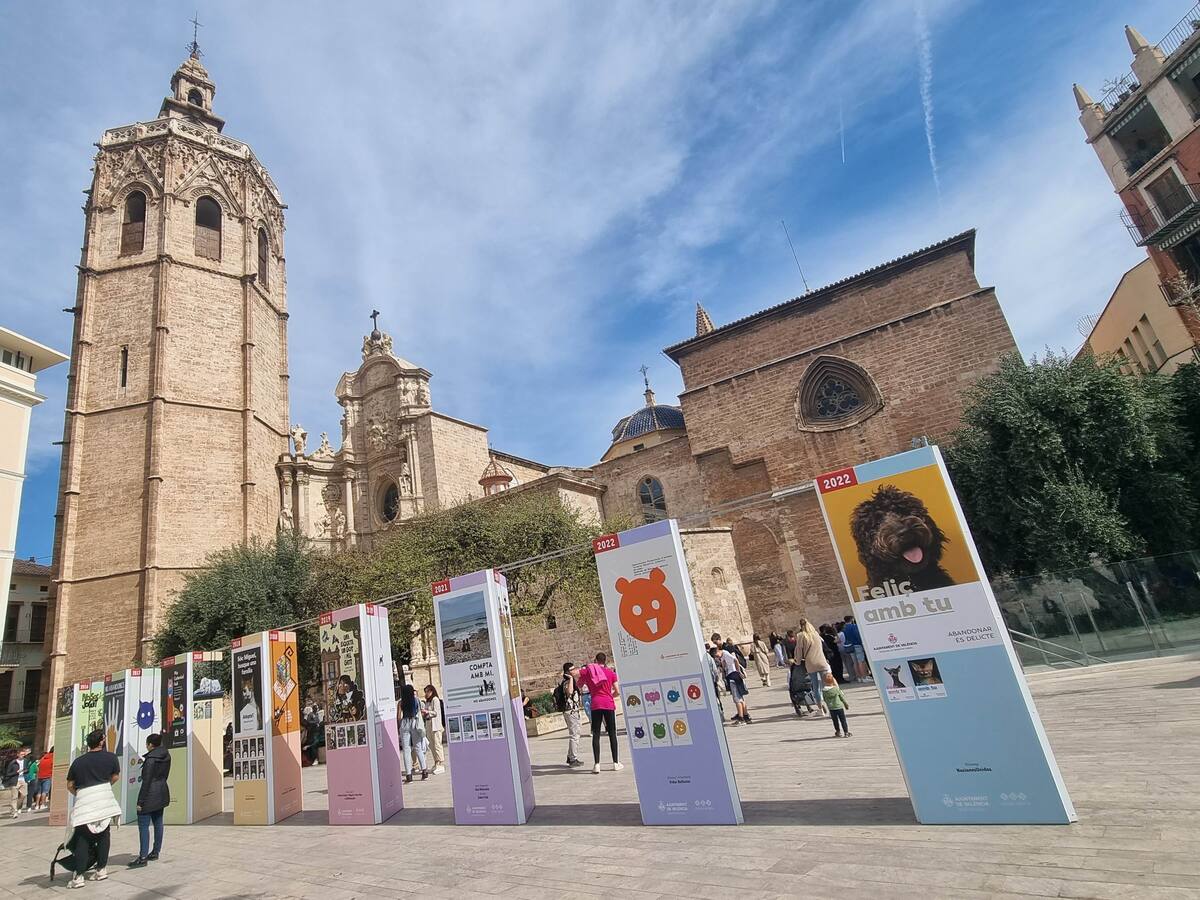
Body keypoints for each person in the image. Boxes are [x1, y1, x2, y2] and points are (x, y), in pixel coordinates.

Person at [65, 730, 121, 889]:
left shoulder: (78, 762)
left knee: (83, 839)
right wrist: (103, 788)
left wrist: (81, 793)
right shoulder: (111, 757)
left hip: (85, 801)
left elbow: (70, 785)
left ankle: (79, 876)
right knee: (104, 835)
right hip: (104, 800)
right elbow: (115, 776)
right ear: (102, 741)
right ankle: (101, 869)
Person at [127, 732, 170, 868]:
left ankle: (143, 856)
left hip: (150, 794)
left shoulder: (151, 760)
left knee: (144, 825)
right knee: (158, 822)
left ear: (150, 745)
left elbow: (146, 782)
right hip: (162, 791)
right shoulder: (166, 755)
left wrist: (140, 802)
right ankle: (155, 851)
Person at [575, 653, 622, 774]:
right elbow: (617, 691)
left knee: (596, 734)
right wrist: (609, 696)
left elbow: (578, 681)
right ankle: (616, 763)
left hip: (595, 704)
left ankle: (597, 764)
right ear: (605, 661)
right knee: (612, 733)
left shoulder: (589, 671)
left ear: (595, 660)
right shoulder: (611, 673)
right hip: (608, 704)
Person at [711, 644, 752, 724]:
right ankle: (746, 715)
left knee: (737, 698)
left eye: (716, 655)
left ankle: (741, 718)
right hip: (732, 675)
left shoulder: (725, 654)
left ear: (717, 651)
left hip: (733, 676)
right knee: (740, 698)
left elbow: (735, 660)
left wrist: (738, 671)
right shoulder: (722, 656)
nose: (717, 657)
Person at [797, 619, 830, 716]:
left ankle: (820, 709)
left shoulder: (801, 636)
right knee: (827, 684)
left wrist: (798, 661)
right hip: (821, 661)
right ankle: (831, 705)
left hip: (811, 663)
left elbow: (799, 650)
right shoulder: (816, 634)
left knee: (816, 687)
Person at [398, 684, 428, 783]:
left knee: (406, 750)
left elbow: (398, 717)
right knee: (418, 747)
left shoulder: (400, 702)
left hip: (405, 723)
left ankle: (409, 775)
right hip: (415, 723)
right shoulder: (417, 700)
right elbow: (419, 712)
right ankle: (424, 772)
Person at [555, 662, 584, 768]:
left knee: (575, 734)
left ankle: (570, 756)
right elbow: (569, 692)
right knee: (574, 735)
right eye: (572, 669)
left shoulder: (571, 681)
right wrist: (571, 679)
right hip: (570, 712)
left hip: (573, 711)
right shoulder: (567, 682)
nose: (574, 670)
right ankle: (573, 759)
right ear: (567, 672)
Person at [422, 685, 446, 774]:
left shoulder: (435, 699)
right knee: (431, 745)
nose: (426, 694)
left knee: (437, 745)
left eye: (427, 691)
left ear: (432, 691)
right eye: (425, 692)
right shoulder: (427, 702)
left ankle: (440, 762)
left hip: (436, 726)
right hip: (429, 725)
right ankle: (436, 762)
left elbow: (436, 712)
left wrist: (427, 712)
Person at [821, 673, 852, 737]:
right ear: (833, 680)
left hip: (831, 708)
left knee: (835, 721)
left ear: (824, 682)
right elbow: (841, 697)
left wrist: (828, 705)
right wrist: (845, 704)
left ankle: (838, 732)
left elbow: (825, 699)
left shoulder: (824, 691)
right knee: (843, 720)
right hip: (839, 707)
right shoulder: (836, 689)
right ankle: (846, 732)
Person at [3, 745, 30, 818]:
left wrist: (26, 771)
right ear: (18, 755)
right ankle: (15, 811)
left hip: (23, 780)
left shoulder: (26, 761)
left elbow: (27, 769)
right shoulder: (13, 762)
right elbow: (8, 774)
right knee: (14, 797)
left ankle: (15, 808)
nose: (22, 756)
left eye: (23, 754)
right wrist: (16, 772)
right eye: (21, 754)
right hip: (15, 781)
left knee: (24, 795)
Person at [843, 615, 870, 681]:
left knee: (855, 662)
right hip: (857, 644)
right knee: (861, 661)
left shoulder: (844, 628)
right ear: (852, 620)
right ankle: (864, 677)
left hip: (850, 646)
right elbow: (857, 635)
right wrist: (861, 643)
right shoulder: (854, 626)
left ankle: (859, 677)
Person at [35, 746, 54, 811]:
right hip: (47, 776)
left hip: (40, 776)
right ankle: (42, 804)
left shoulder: (44, 757)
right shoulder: (53, 757)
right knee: (45, 791)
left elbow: (38, 765)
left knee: (39, 792)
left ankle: (37, 805)